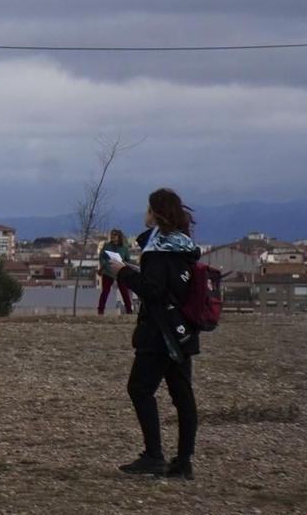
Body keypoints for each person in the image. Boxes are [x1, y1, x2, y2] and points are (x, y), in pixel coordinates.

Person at [112, 189, 202, 480]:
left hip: (159, 331)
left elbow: (153, 290)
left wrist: (123, 272)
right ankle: (183, 461)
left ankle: (154, 456)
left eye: (148, 208)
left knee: (140, 389)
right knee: (182, 395)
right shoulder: (184, 246)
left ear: (155, 213)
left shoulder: (158, 249)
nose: (145, 213)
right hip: (183, 331)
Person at [98, 228, 136, 315]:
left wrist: (123, 263)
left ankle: (129, 310)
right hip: (108, 271)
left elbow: (128, 260)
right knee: (105, 292)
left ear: (119, 237)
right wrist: (106, 264)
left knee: (124, 291)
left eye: (115, 236)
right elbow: (102, 257)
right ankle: (100, 310)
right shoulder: (107, 246)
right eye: (112, 235)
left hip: (120, 271)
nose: (113, 237)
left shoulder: (124, 248)